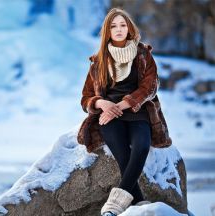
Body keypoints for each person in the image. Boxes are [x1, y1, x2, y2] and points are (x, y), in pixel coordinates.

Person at [79, 7, 172, 216]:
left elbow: (150, 87)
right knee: (123, 154)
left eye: (122, 25)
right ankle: (138, 202)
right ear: (107, 31)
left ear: (129, 28)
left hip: (137, 112)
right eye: (113, 26)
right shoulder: (98, 61)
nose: (119, 29)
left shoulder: (143, 54)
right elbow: (85, 98)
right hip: (108, 117)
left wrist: (119, 106)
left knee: (141, 147)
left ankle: (114, 206)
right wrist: (102, 104)